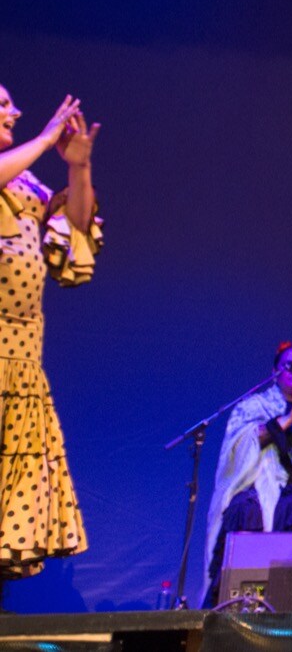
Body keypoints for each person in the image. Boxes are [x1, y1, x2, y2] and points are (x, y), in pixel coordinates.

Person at [0, 88, 99, 579]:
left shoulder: (24, 188)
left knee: (7, 535)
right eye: (0, 103)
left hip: (20, 376)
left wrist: (78, 168)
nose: (13, 111)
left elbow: (75, 228)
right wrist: (43, 139)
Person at [203, 342, 292, 607]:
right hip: (256, 484)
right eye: (288, 365)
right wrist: (290, 418)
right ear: (274, 371)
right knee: (244, 509)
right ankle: (236, 601)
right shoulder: (254, 405)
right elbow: (240, 446)